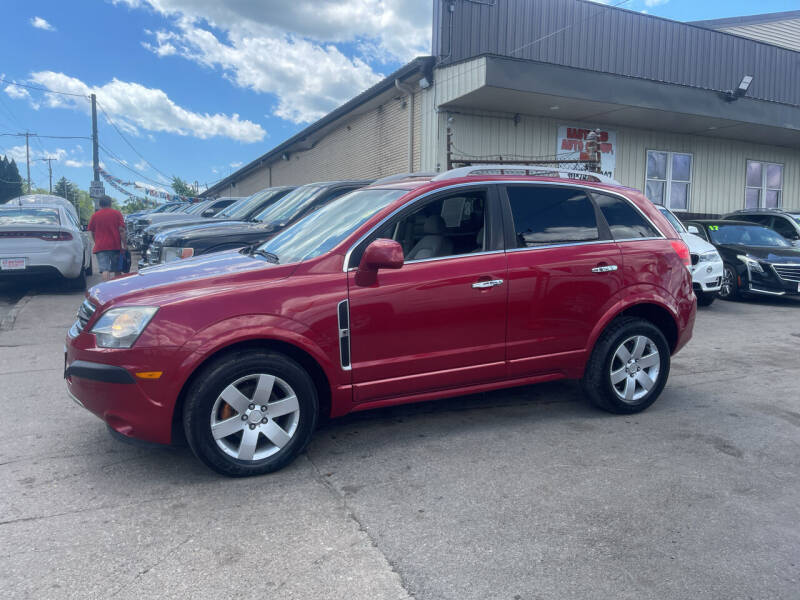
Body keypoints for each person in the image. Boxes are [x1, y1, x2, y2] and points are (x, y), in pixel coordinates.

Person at [87, 195, 126, 281]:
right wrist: (125, 245)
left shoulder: (95, 216)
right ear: (110, 203)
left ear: (100, 204)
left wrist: (96, 242)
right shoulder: (117, 214)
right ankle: (118, 290)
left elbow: (92, 232)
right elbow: (122, 230)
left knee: (105, 270)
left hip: (100, 247)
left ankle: (107, 291)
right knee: (117, 270)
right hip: (115, 246)